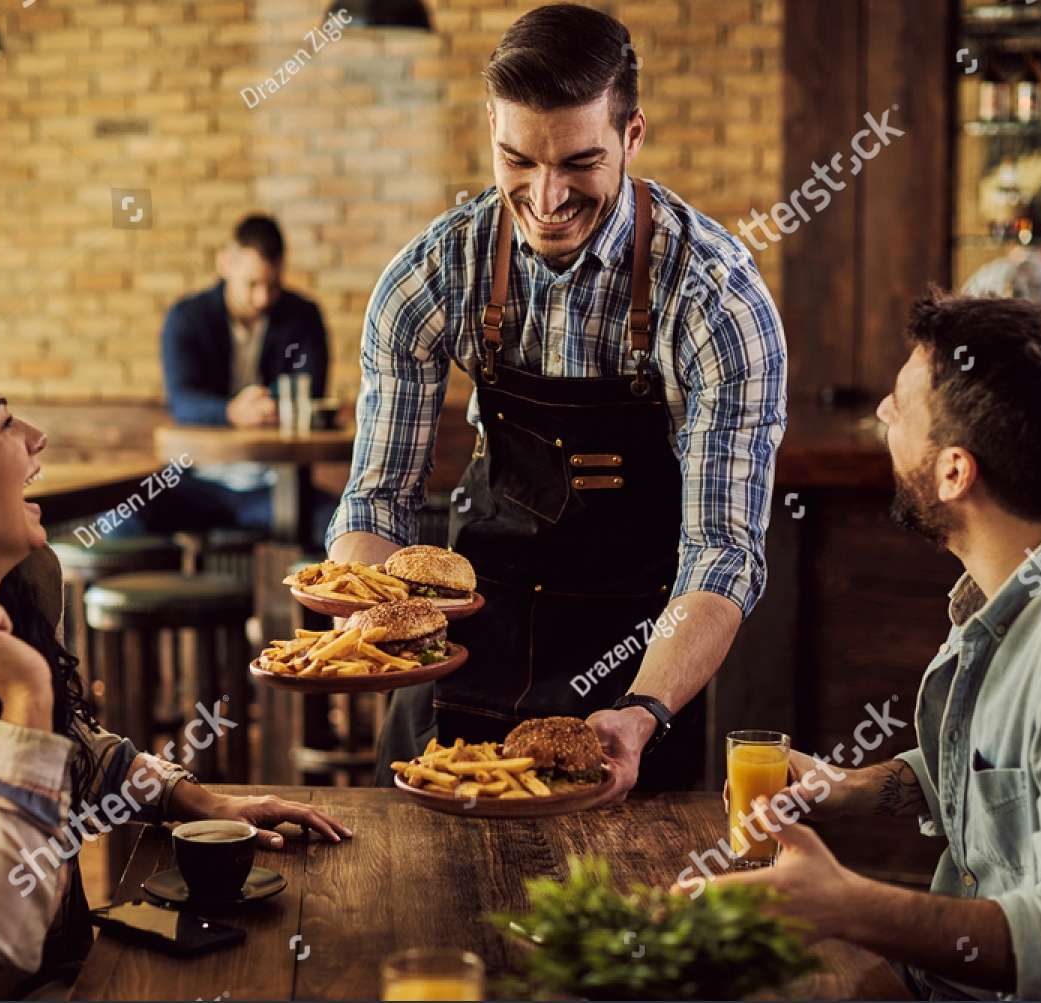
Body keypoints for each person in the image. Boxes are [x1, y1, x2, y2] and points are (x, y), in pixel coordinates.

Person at [327, 3, 787, 798]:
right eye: (519, 161)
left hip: (641, 668)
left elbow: (724, 550)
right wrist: (372, 627)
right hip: (469, 648)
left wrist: (643, 708)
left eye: (579, 162)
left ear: (632, 136)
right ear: (491, 132)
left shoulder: (716, 297)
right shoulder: (433, 276)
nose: (546, 197)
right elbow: (378, 501)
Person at [704, 293, 1041, 1000]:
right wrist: (841, 788)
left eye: (900, 407)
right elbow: (1003, 774)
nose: (881, 414)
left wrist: (848, 903)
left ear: (954, 472)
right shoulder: (1017, 577)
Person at [0, 327, 352, 999]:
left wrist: (194, 798)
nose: (36, 435)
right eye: (2, 422)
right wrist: (27, 700)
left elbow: (77, 755)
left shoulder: (22, 590)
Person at [155, 213, 338, 547]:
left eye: (273, 286)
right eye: (252, 284)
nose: (263, 299)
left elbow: (309, 391)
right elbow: (182, 401)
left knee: (342, 528)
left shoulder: (303, 316)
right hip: (195, 482)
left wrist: (271, 407)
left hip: (277, 485)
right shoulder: (187, 317)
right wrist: (232, 413)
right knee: (118, 520)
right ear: (226, 264)